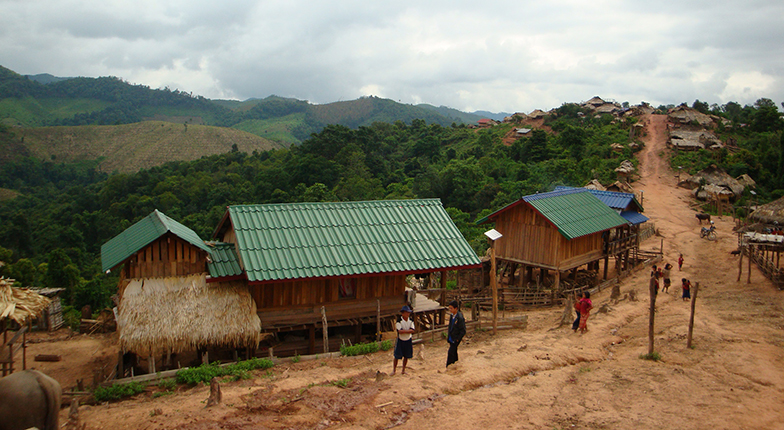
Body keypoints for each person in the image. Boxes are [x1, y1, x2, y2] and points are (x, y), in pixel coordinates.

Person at [392, 305, 415, 375]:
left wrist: (404, 331)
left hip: (408, 339)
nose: (408, 314)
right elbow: (399, 331)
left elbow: (413, 330)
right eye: (406, 312)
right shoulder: (399, 321)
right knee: (397, 356)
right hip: (401, 340)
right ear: (403, 313)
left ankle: (403, 370)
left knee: (406, 356)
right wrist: (408, 331)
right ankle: (394, 370)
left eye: (408, 313)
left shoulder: (410, 320)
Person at [446, 300, 466, 367]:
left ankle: (448, 366)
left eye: (451, 308)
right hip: (451, 336)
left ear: (456, 308)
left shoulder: (460, 318)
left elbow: (463, 330)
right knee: (454, 351)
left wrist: (458, 339)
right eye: (449, 308)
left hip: (456, 338)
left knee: (451, 352)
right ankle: (455, 363)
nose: (450, 310)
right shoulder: (452, 316)